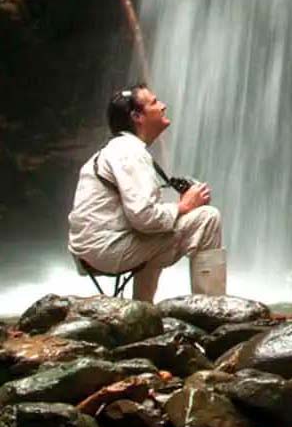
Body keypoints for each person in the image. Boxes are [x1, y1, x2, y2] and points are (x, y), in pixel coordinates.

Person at [68, 84, 226, 302]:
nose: (163, 106)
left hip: (91, 248)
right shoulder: (129, 152)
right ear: (137, 116)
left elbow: (143, 219)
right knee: (208, 218)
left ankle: (143, 307)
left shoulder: (119, 149)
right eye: (154, 102)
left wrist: (178, 210)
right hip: (107, 249)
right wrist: (184, 206)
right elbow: (144, 217)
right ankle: (212, 306)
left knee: (158, 230)